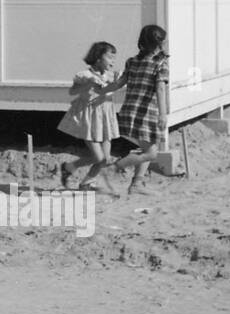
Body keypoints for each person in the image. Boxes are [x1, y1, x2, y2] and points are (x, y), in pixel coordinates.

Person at [56, 42, 121, 195]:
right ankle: (69, 168)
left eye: (114, 58)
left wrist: (118, 82)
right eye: (110, 58)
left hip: (106, 118)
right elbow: (72, 92)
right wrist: (88, 84)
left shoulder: (111, 76)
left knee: (105, 159)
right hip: (89, 118)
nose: (113, 61)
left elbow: (108, 89)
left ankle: (85, 181)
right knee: (99, 157)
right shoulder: (85, 75)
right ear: (98, 58)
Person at [115, 25, 170, 195]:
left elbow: (119, 83)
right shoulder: (161, 63)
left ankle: (136, 184)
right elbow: (160, 89)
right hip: (146, 112)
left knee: (148, 149)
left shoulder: (132, 61)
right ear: (159, 43)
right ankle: (116, 167)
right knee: (152, 153)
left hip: (129, 111)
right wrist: (163, 114)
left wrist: (102, 90)